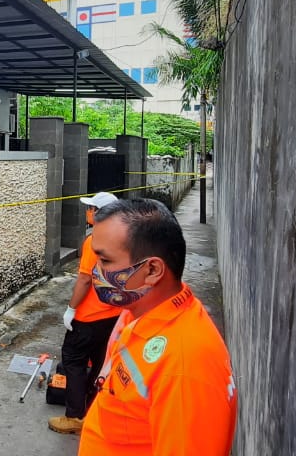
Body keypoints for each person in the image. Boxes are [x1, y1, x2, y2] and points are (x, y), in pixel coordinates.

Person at [78, 198, 237, 455]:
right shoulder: (140, 314)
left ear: (152, 270)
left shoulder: (185, 367)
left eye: (105, 262)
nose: (95, 272)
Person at [48, 191, 124, 435]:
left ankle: (74, 417)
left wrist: (71, 309)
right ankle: (93, 407)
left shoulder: (94, 242)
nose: (87, 212)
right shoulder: (125, 238)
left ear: (101, 214)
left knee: (73, 361)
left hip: (89, 316)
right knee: (100, 362)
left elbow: (84, 279)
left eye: (91, 208)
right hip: (113, 315)